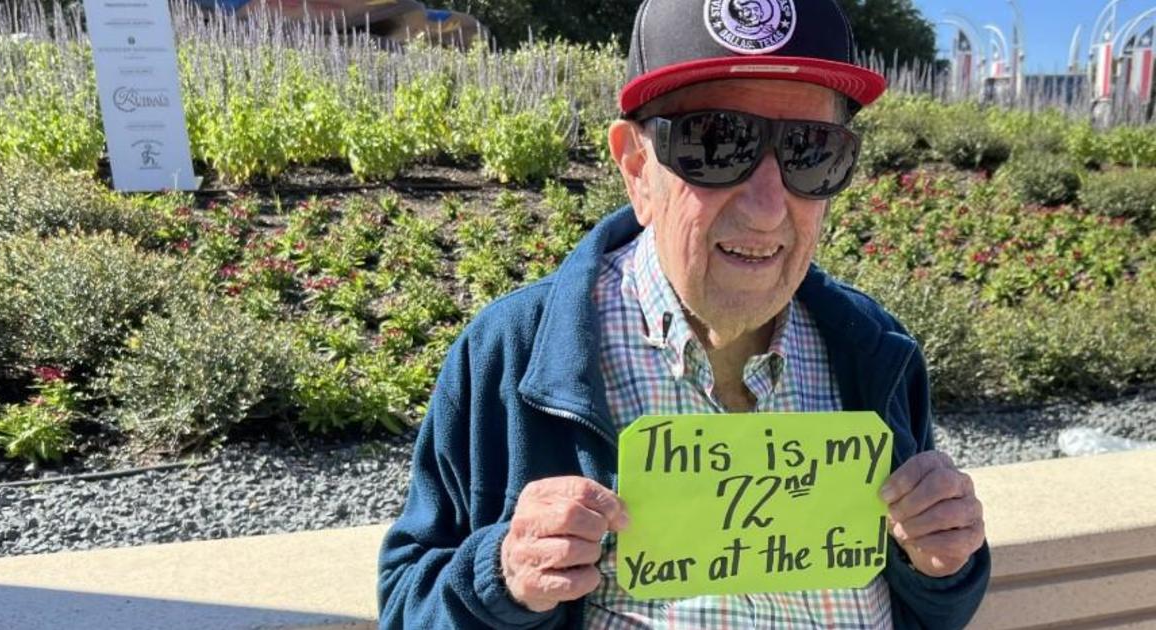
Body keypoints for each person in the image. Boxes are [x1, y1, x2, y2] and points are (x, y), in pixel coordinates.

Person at [378, 0, 991, 627]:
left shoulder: (875, 351)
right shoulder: (513, 354)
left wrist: (942, 560)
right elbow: (406, 606)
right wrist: (503, 575)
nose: (766, 206)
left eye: (811, 151)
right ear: (638, 168)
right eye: (718, 144)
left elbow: (931, 604)